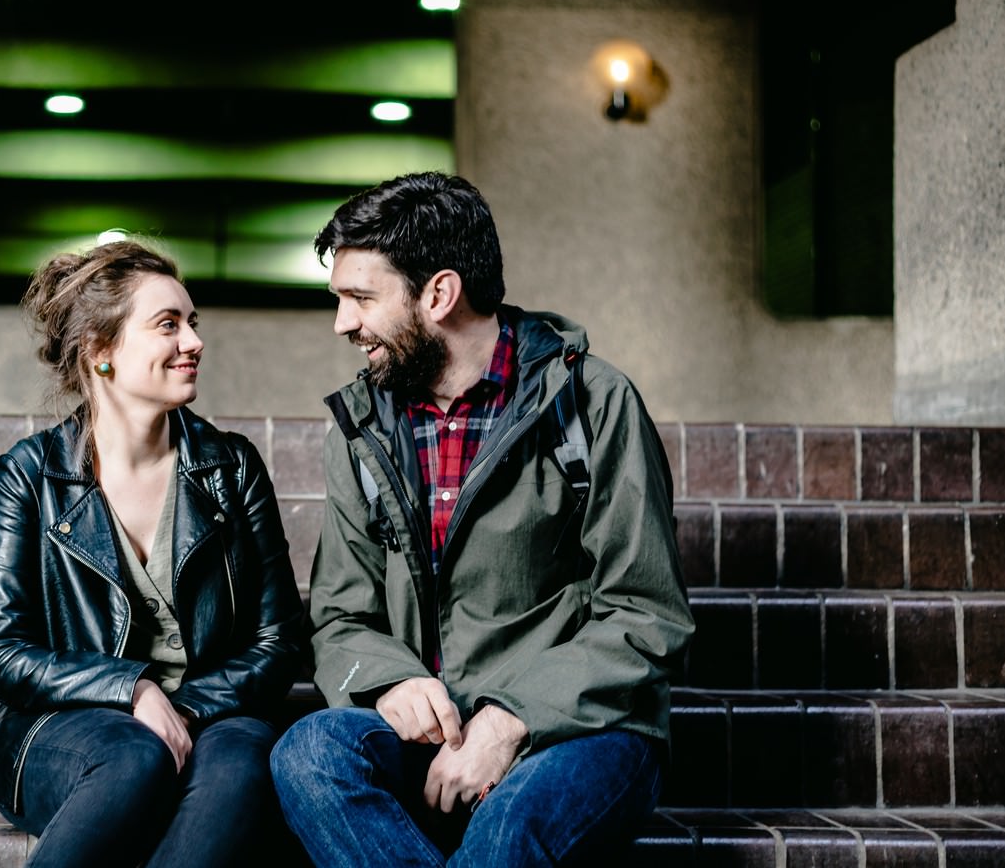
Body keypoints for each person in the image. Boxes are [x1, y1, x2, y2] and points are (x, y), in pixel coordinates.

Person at [270, 172, 694, 867]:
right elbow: (341, 616)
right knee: (309, 753)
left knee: (505, 836)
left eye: (360, 298)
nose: (343, 323)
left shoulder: (593, 402)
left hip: (578, 731)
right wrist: (390, 681)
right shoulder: (361, 426)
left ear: (438, 294)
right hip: (427, 738)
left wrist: (510, 718)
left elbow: (645, 614)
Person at [0, 240, 305, 868]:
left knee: (241, 764)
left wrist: (178, 707)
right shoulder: (31, 475)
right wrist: (132, 690)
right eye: (167, 325)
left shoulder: (231, 469)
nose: (194, 341)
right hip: (62, 726)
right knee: (135, 755)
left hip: (213, 714)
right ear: (101, 352)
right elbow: (0, 650)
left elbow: (279, 642)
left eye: (192, 322)